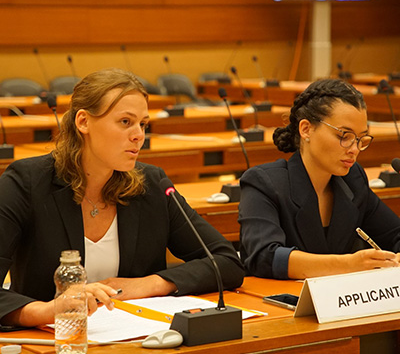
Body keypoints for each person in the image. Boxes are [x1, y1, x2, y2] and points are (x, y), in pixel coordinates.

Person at [0, 68, 244, 327]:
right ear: (83, 122)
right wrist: (51, 310)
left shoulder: (152, 184)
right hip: (51, 342)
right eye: (125, 122)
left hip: (134, 338)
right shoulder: (26, 184)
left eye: (143, 124)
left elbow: (226, 262)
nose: (139, 135)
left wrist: (146, 285)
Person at [239, 78, 400, 280]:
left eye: (360, 139)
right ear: (306, 129)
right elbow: (265, 256)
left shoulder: (353, 179)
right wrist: (349, 264)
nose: (354, 149)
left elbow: (395, 235)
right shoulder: (263, 183)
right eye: (344, 135)